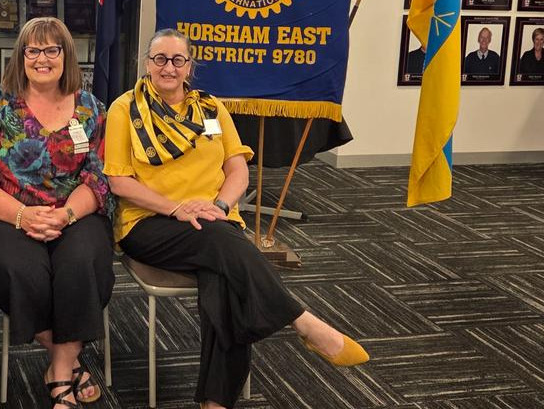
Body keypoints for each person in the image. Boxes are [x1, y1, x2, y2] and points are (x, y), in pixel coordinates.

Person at [105, 28, 369, 409]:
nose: (168, 67)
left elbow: (238, 169)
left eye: (178, 60)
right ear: (146, 63)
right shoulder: (124, 109)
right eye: (160, 58)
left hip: (212, 218)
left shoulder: (211, 109)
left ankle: (216, 402)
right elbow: (118, 181)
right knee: (225, 245)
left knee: (225, 280)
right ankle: (303, 321)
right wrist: (177, 207)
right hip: (149, 222)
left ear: (189, 67)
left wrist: (220, 205)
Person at [0, 16, 114, 409]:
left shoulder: (90, 107)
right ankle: (72, 361)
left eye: (52, 49)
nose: (42, 58)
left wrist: (64, 216)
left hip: (73, 213)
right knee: (21, 272)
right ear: (21, 56)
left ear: (67, 55)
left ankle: (60, 372)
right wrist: (23, 216)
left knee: (81, 264)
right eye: (34, 50)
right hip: (4, 213)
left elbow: (98, 179)